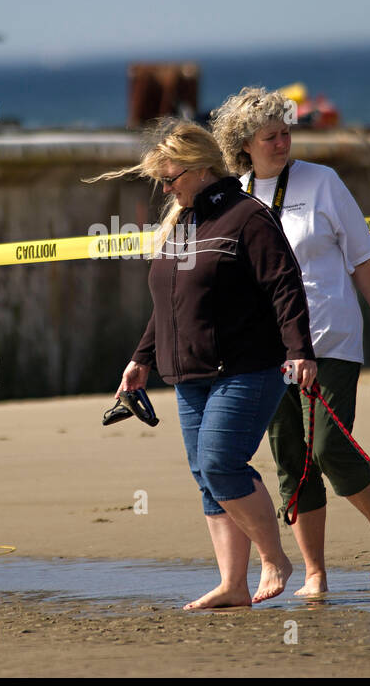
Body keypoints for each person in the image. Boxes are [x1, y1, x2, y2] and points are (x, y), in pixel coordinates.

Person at [94, 121, 317, 609]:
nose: (166, 188)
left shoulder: (248, 217)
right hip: (188, 372)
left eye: (170, 178)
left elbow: (285, 284)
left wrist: (300, 351)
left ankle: (274, 557)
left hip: (248, 366)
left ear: (199, 169)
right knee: (205, 474)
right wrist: (141, 359)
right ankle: (233, 584)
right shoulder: (183, 221)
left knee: (220, 463)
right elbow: (168, 304)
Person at [211, 87, 370, 595]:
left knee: (329, 448)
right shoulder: (233, 195)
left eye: (286, 133)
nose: (282, 143)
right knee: (290, 459)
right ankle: (316, 574)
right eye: (270, 136)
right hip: (266, 350)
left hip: (331, 338)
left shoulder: (324, 182)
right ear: (245, 144)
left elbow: (362, 257)